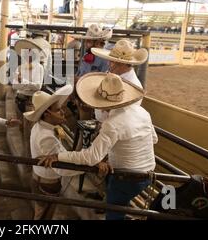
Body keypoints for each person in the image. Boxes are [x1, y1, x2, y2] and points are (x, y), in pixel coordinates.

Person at [38, 73, 157, 220]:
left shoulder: (112, 123)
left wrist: (58, 156)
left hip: (125, 178)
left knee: (114, 213)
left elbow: (91, 157)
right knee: (121, 205)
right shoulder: (143, 112)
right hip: (148, 172)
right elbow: (154, 139)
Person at [25, 85, 82, 220]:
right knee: (43, 217)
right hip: (47, 183)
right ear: (47, 114)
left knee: (42, 214)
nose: (62, 112)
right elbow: (62, 169)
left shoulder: (42, 127)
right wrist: (87, 167)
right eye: (57, 110)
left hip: (41, 178)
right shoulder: (47, 136)